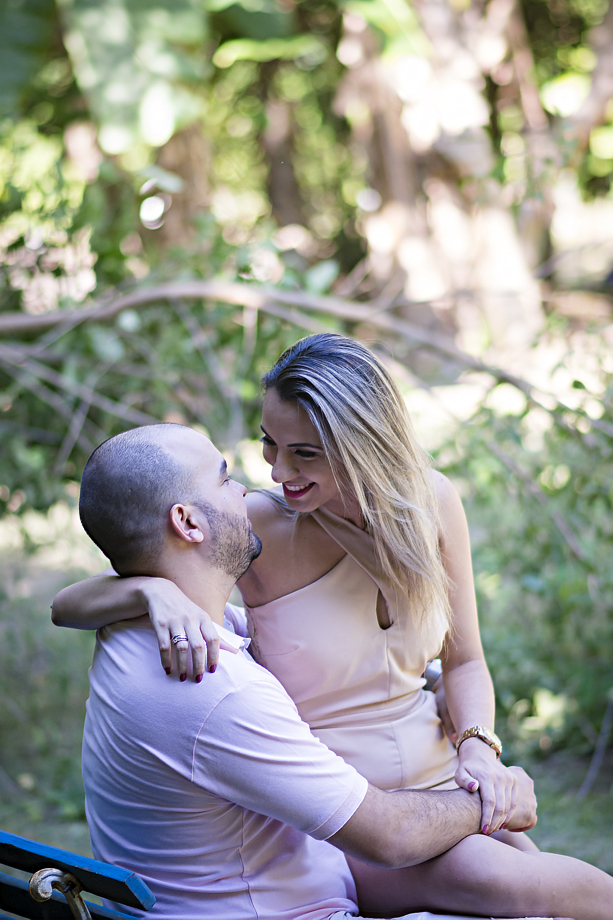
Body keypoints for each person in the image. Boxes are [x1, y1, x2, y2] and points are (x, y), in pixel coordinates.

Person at [54, 341, 613, 917]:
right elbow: (71, 602)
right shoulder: (257, 527)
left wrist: (479, 750)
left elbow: (465, 659)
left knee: (556, 891)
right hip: (350, 813)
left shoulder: (432, 505)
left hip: (446, 780)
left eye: (304, 454)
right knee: (524, 885)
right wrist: (151, 591)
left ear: (363, 447)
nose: (276, 471)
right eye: (270, 443)